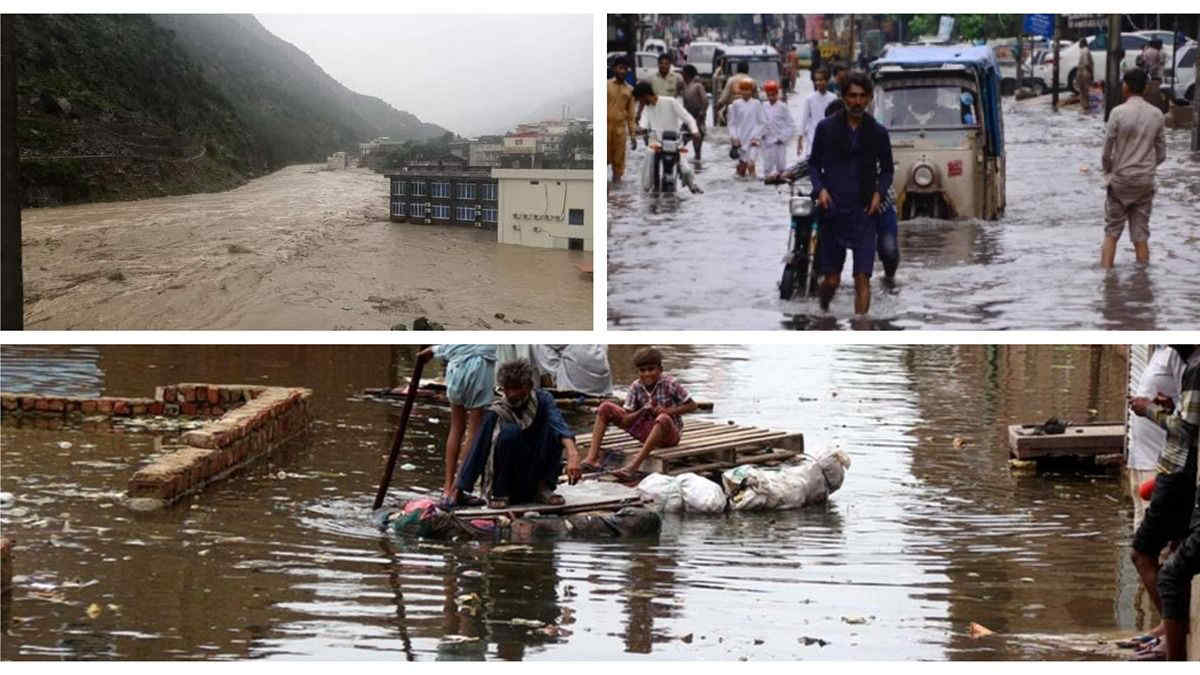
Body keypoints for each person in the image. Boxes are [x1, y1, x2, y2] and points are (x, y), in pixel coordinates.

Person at [1129, 346, 1199, 661]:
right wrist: (1171, 409)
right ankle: (1168, 635)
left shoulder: (1195, 367)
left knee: (1143, 552)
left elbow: (1186, 431)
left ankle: (1173, 640)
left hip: (1177, 472)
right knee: (1172, 558)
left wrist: (1148, 410)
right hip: (1172, 471)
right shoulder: (1187, 363)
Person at [809, 72, 893, 318]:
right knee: (832, 280)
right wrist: (820, 190)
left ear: (868, 99)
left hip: (864, 212)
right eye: (852, 96)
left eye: (862, 97)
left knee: (862, 279)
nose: (857, 101)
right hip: (833, 210)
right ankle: (823, 313)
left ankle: (861, 328)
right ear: (844, 97)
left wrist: (879, 193)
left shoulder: (878, 132)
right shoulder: (826, 128)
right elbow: (813, 165)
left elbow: (887, 170)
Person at [452, 358, 582, 509]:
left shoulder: (543, 400)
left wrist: (573, 454)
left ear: (529, 386)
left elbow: (560, 426)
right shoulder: (496, 411)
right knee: (510, 433)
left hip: (535, 476)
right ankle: (501, 493)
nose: (512, 394)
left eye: (517, 388)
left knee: (552, 430)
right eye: (508, 388)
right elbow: (478, 450)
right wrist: (459, 489)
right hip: (509, 483)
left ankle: (543, 489)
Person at [585, 347, 697, 482]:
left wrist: (667, 411)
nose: (647, 374)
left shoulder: (669, 383)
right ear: (638, 372)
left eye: (651, 369)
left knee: (663, 418)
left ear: (660, 369)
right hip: (646, 433)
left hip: (669, 436)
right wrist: (643, 410)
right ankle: (591, 458)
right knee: (605, 407)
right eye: (643, 370)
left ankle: (633, 467)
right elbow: (626, 420)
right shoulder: (635, 387)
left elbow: (692, 405)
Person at [415, 344, 496, 506]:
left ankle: (447, 488)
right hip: (478, 368)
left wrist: (433, 350)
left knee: (456, 427)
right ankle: (457, 488)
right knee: (473, 430)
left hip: (455, 368)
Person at [1100, 68, 1166, 268]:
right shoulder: (1157, 115)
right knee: (1140, 235)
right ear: (1145, 88)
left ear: (1126, 87)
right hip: (1144, 182)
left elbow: (1106, 152)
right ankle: (1143, 281)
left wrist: (1109, 172)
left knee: (1112, 232)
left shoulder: (1117, 113)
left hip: (1120, 181)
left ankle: (1107, 280)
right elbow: (1162, 154)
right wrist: (1146, 168)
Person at [633, 81, 703, 194]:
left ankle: (692, 185)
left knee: (685, 169)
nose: (640, 103)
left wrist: (695, 131)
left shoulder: (670, 102)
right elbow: (643, 123)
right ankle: (646, 188)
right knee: (649, 157)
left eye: (639, 99)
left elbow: (688, 118)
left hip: (675, 142)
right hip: (656, 143)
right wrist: (639, 129)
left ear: (645, 95)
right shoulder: (647, 108)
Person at [796, 66, 837, 160]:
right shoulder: (810, 99)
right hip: (813, 136)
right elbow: (804, 120)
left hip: (829, 137)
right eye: (816, 80)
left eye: (821, 80)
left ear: (827, 81)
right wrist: (800, 140)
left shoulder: (833, 98)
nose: (818, 82)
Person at [607, 57, 637, 183]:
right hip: (605, 128)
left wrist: (633, 136)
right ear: (614, 69)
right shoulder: (606, 85)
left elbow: (631, 115)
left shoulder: (629, 90)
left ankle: (616, 195)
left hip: (620, 130)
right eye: (620, 68)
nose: (623, 71)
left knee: (619, 163)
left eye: (625, 69)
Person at [728, 79, 765, 178]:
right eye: (743, 89)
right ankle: (742, 189)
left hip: (753, 140)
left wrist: (756, 137)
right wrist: (734, 137)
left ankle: (754, 186)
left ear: (752, 91)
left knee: (751, 164)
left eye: (747, 89)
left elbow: (762, 123)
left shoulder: (757, 103)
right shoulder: (735, 104)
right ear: (740, 90)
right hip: (740, 140)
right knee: (742, 169)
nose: (745, 92)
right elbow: (732, 123)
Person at [760, 80, 795, 183]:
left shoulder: (783, 107)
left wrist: (783, 138)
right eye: (768, 95)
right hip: (767, 142)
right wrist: (761, 134)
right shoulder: (763, 106)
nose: (771, 98)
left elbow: (791, 125)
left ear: (777, 93)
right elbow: (760, 123)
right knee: (767, 168)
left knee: (781, 167)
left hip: (779, 142)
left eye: (773, 95)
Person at [680, 64, 708, 164]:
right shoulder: (685, 86)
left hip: (698, 118)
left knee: (697, 148)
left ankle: (697, 165)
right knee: (680, 141)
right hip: (687, 118)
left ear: (687, 74)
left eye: (683, 72)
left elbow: (705, 100)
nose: (681, 74)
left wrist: (702, 113)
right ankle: (680, 162)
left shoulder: (697, 86)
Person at [1076, 38, 1094, 112]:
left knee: (1083, 91)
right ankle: (1085, 107)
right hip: (1085, 73)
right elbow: (1087, 63)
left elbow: (1086, 64)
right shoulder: (1086, 51)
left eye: (1080, 43)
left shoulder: (1084, 51)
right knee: (1085, 91)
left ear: (1083, 43)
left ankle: (1085, 107)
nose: (1079, 45)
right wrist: (1091, 73)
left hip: (1083, 73)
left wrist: (1090, 72)